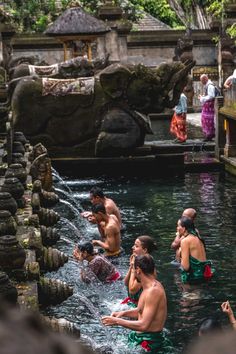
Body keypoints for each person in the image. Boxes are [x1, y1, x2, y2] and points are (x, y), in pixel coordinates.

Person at [102, 255, 171, 353]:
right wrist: (122, 314)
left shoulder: (153, 291)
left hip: (150, 342)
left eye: (133, 269)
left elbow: (144, 325)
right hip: (140, 337)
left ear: (138, 270)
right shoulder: (148, 287)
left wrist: (117, 321)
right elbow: (140, 311)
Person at [122, 235, 157, 307]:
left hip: (140, 307)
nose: (133, 247)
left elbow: (132, 290)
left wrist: (133, 268)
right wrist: (132, 266)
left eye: (136, 246)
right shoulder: (138, 261)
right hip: (133, 303)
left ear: (145, 250)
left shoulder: (146, 265)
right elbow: (126, 283)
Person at [177, 216, 214, 283]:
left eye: (178, 226)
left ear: (184, 228)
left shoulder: (185, 241)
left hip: (194, 278)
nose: (177, 228)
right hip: (204, 274)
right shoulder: (198, 237)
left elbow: (185, 267)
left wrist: (180, 253)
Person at [198, 74, 216, 142]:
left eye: (201, 80)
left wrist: (202, 98)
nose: (201, 82)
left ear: (205, 79)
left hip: (209, 108)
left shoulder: (210, 86)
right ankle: (208, 135)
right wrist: (203, 96)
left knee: (208, 121)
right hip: (208, 107)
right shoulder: (208, 85)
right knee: (205, 120)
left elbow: (211, 96)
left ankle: (209, 135)